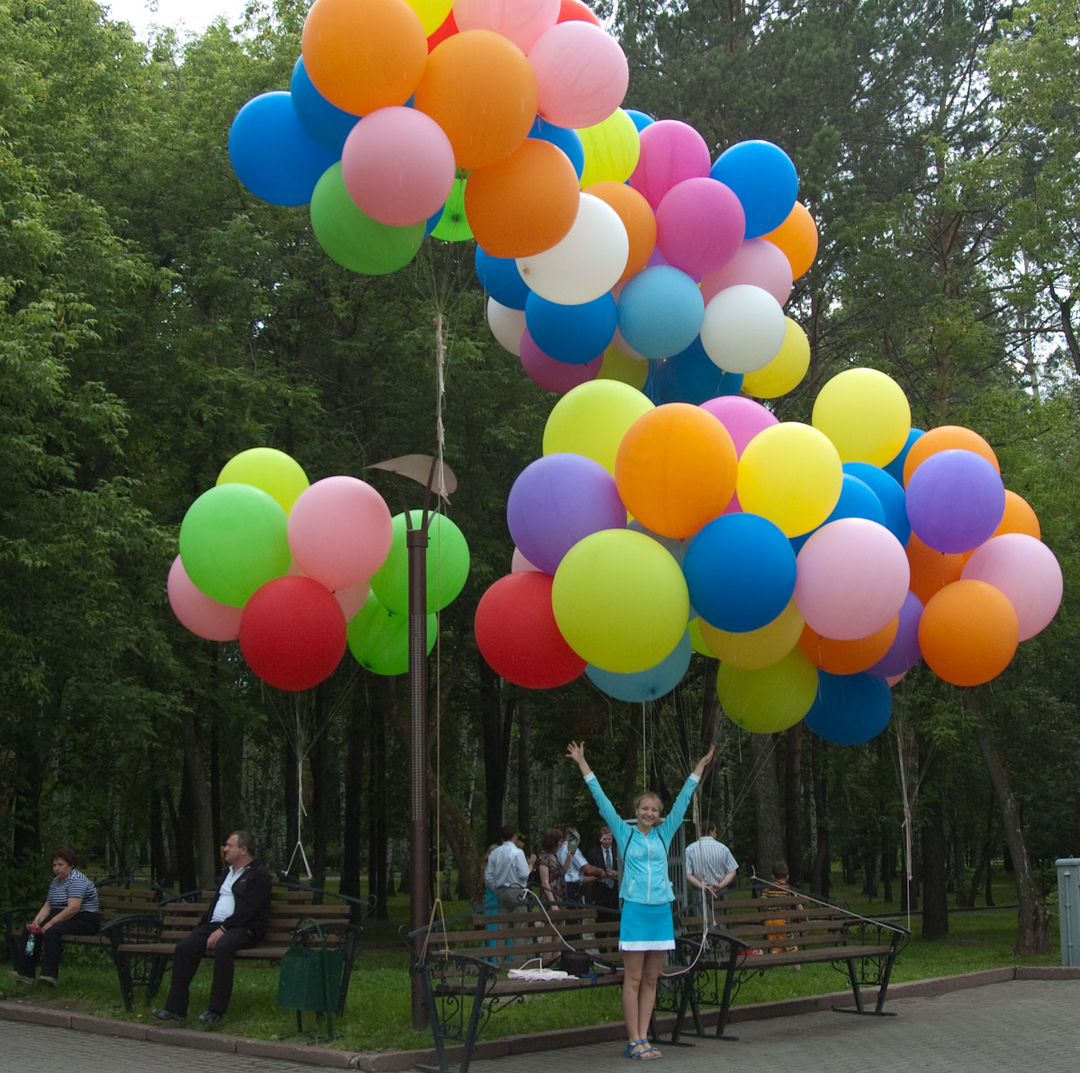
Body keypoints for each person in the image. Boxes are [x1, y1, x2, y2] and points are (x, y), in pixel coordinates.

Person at [567, 740, 715, 1061]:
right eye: (644, 809)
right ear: (636, 812)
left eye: (654, 810)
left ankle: (645, 1037)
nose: (649, 813)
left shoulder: (664, 833)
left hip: (661, 912)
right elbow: (601, 800)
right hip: (634, 911)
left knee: (651, 978)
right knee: (633, 978)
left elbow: (683, 801)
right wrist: (582, 762)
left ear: (659, 815)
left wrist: (699, 768)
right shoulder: (626, 833)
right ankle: (633, 1039)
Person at [152, 830, 272, 1025]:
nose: (225, 849)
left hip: (245, 928)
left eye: (229, 846)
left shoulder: (259, 875)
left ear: (243, 850)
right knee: (184, 948)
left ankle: (215, 1011)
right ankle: (175, 1009)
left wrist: (224, 929)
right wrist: (205, 926)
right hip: (215, 925)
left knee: (223, 947)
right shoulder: (226, 873)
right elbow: (217, 903)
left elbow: (250, 910)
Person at [9, 847, 100, 987]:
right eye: (54, 865)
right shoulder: (56, 882)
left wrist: (51, 923)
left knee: (52, 931)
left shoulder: (77, 880)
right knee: (30, 931)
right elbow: (48, 906)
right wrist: (37, 921)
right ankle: (25, 972)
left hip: (84, 919)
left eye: (61, 865)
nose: (57, 868)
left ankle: (49, 974)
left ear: (71, 865)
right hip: (64, 916)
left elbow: (73, 908)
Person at [684, 819, 738, 924]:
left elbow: (687, 874)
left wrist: (703, 886)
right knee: (721, 920)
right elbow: (732, 871)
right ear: (710, 831)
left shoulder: (690, 849)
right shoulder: (723, 848)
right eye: (715, 831)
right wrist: (720, 885)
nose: (716, 834)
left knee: (703, 921)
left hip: (699, 891)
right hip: (720, 890)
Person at [483, 823, 535, 913]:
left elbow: (488, 876)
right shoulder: (518, 852)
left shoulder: (494, 853)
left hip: (500, 891)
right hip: (516, 890)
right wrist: (530, 866)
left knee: (503, 918)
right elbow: (524, 874)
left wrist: (495, 889)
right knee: (519, 918)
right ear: (514, 836)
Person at [763, 860, 802, 963]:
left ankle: (773, 964)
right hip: (783, 921)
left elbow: (762, 903)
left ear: (772, 876)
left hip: (769, 922)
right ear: (787, 877)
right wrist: (805, 917)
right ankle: (797, 966)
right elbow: (798, 903)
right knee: (790, 944)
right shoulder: (788, 890)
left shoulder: (767, 890)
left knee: (774, 944)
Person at [557, 827, 605, 905]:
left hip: (562, 885)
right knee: (575, 911)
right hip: (571, 888)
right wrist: (601, 872)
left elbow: (577, 876)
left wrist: (595, 878)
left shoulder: (560, 850)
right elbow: (587, 869)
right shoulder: (571, 849)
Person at [586, 826, 621, 920]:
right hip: (600, 890)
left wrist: (617, 874)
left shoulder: (618, 851)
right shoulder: (593, 853)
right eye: (604, 839)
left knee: (615, 918)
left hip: (615, 890)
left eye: (609, 839)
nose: (607, 842)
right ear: (600, 839)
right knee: (601, 918)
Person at [536, 828, 567, 905]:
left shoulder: (554, 856)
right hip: (550, 898)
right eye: (559, 841)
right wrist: (553, 903)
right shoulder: (544, 858)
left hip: (560, 896)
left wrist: (569, 859)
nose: (561, 844)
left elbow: (561, 873)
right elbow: (545, 882)